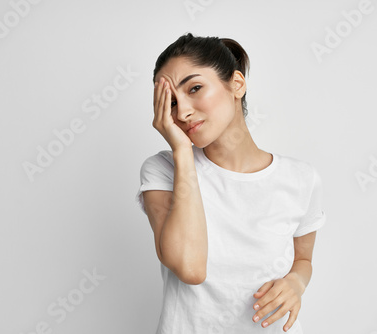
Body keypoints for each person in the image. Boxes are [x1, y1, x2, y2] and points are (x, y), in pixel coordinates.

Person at [135, 32, 326, 333]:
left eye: (194, 88)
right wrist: (182, 151)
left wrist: (296, 283)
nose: (182, 112)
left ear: (236, 84)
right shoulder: (162, 170)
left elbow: (303, 259)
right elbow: (191, 268)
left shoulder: (300, 179)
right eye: (171, 102)